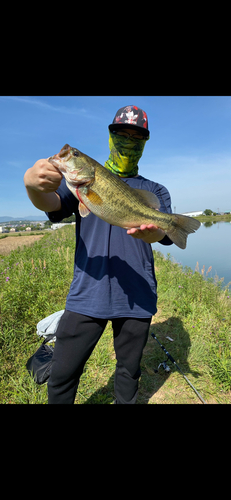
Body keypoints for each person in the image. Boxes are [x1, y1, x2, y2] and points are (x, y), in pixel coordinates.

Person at [24, 105, 173, 404]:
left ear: (145, 142)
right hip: (86, 293)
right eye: (121, 133)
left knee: (128, 373)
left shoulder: (155, 190)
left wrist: (154, 232)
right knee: (64, 372)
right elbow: (50, 202)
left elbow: (165, 234)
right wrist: (31, 184)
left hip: (137, 294)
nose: (128, 141)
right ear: (110, 135)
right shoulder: (81, 184)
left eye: (137, 136)